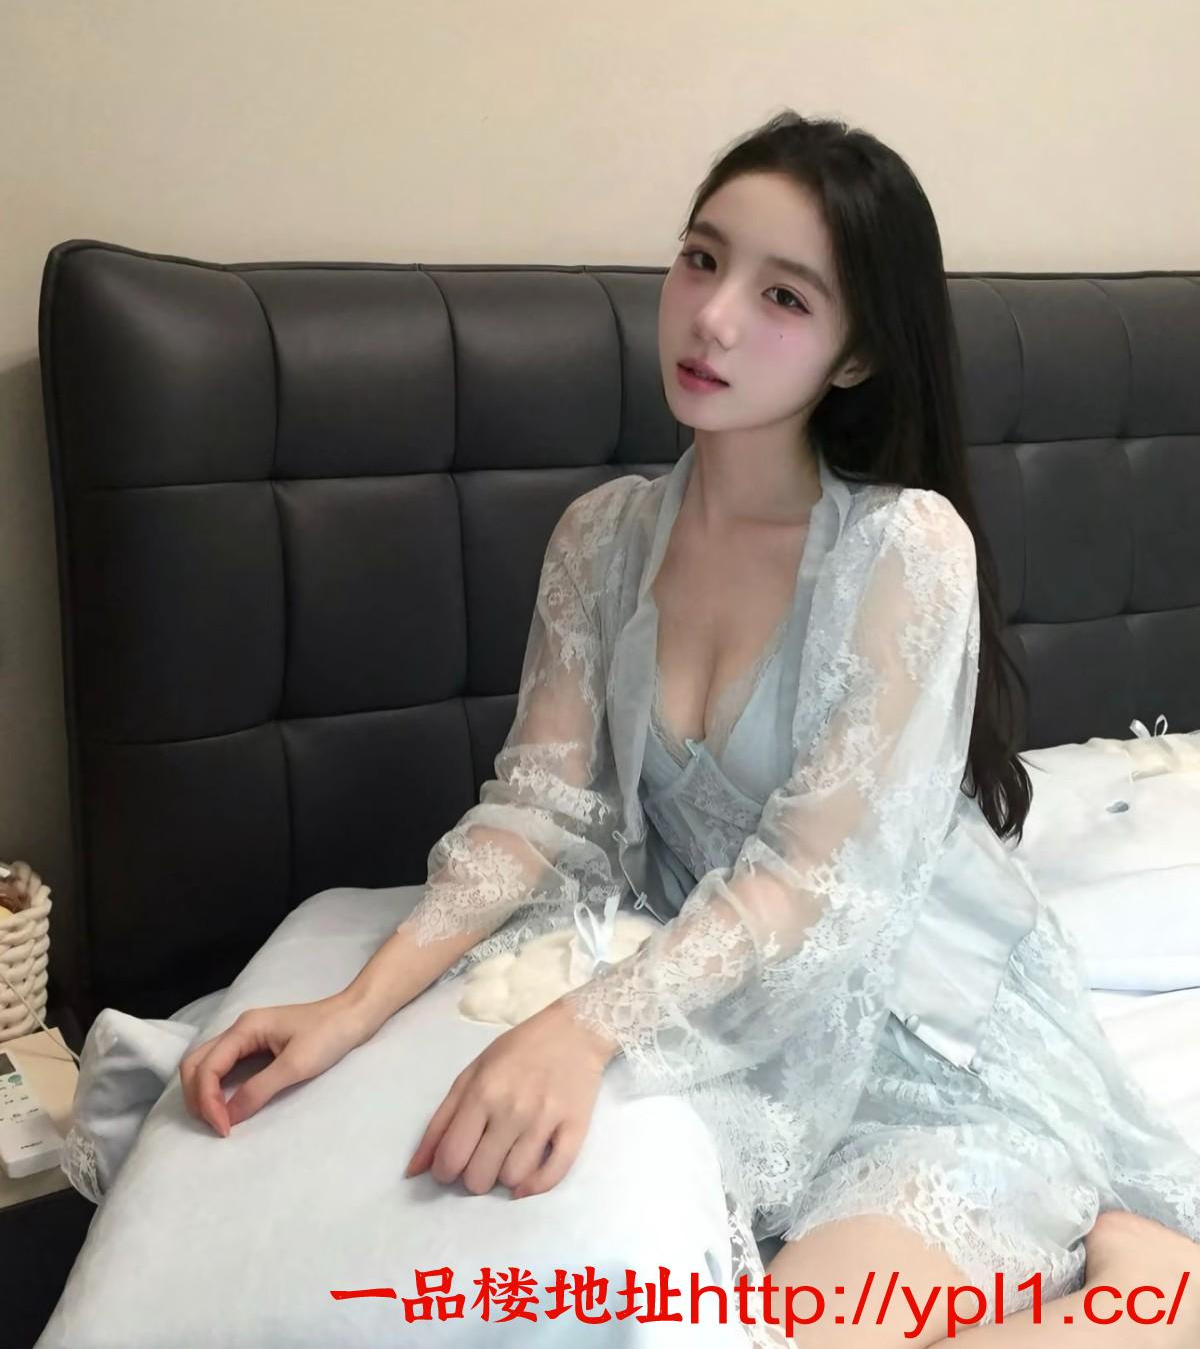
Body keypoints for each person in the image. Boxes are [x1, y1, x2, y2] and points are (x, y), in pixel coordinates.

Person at [181, 110, 1200, 1343]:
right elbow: (538, 813)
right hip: (731, 1004)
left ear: (857, 355)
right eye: (702, 259)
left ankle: (1145, 1273)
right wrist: (355, 1007)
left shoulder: (903, 547)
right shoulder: (601, 539)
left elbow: (813, 882)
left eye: (784, 296)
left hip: (921, 1036)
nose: (712, 317)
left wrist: (583, 1028)